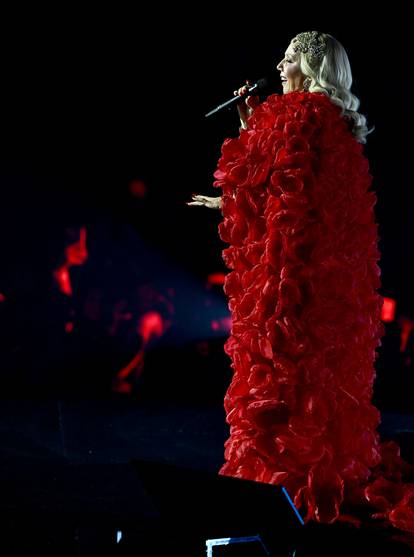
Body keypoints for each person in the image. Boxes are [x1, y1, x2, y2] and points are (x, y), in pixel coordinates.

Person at [187, 31, 414, 534]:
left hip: (295, 282)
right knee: (318, 379)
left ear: (312, 69)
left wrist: (231, 193)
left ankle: (286, 487)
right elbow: (294, 193)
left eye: (289, 58)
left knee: (284, 374)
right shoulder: (335, 124)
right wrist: (251, 126)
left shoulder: (301, 116)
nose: (280, 65)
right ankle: (317, 477)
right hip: (330, 286)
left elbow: (268, 188)